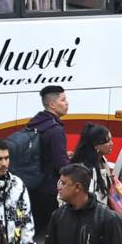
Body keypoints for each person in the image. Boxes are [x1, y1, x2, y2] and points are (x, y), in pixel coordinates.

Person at [21, 86, 71, 214]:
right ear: (52, 104)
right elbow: (62, 166)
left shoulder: (35, 123)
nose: (67, 103)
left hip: (32, 185)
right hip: (50, 190)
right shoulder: (55, 130)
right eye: (63, 100)